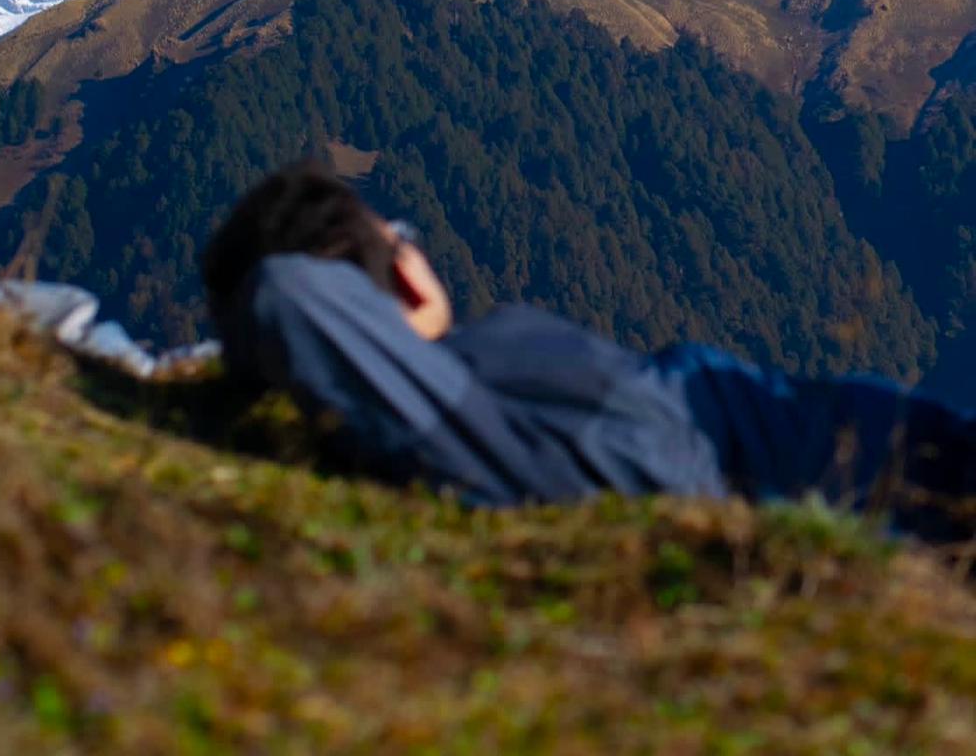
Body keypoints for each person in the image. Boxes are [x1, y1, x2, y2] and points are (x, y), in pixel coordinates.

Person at [202, 160, 976, 541]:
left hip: (838, 432)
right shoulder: (469, 430)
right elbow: (286, 291)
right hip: (866, 461)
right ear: (396, 277)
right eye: (401, 235)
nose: (418, 251)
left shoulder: (455, 398)